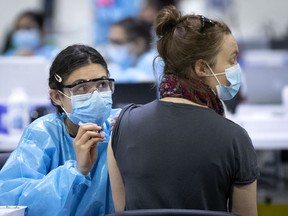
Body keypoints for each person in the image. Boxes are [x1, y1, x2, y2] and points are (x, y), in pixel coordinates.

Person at [108, 6, 259, 216]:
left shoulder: (123, 126)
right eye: (232, 59)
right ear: (202, 68)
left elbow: (121, 210)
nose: (236, 68)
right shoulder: (235, 139)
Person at [0, 44, 118, 216]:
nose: (95, 95)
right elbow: (10, 200)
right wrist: (77, 171)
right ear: (57, 97)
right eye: (81, 88)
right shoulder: (43, 134)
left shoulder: (121, 126)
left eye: (101, 85)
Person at [106, 17, 160, 83]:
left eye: (118, 42)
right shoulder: (125, 65)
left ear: (139, 43)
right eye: (111, 41)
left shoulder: (153, 63)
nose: (112, 47)